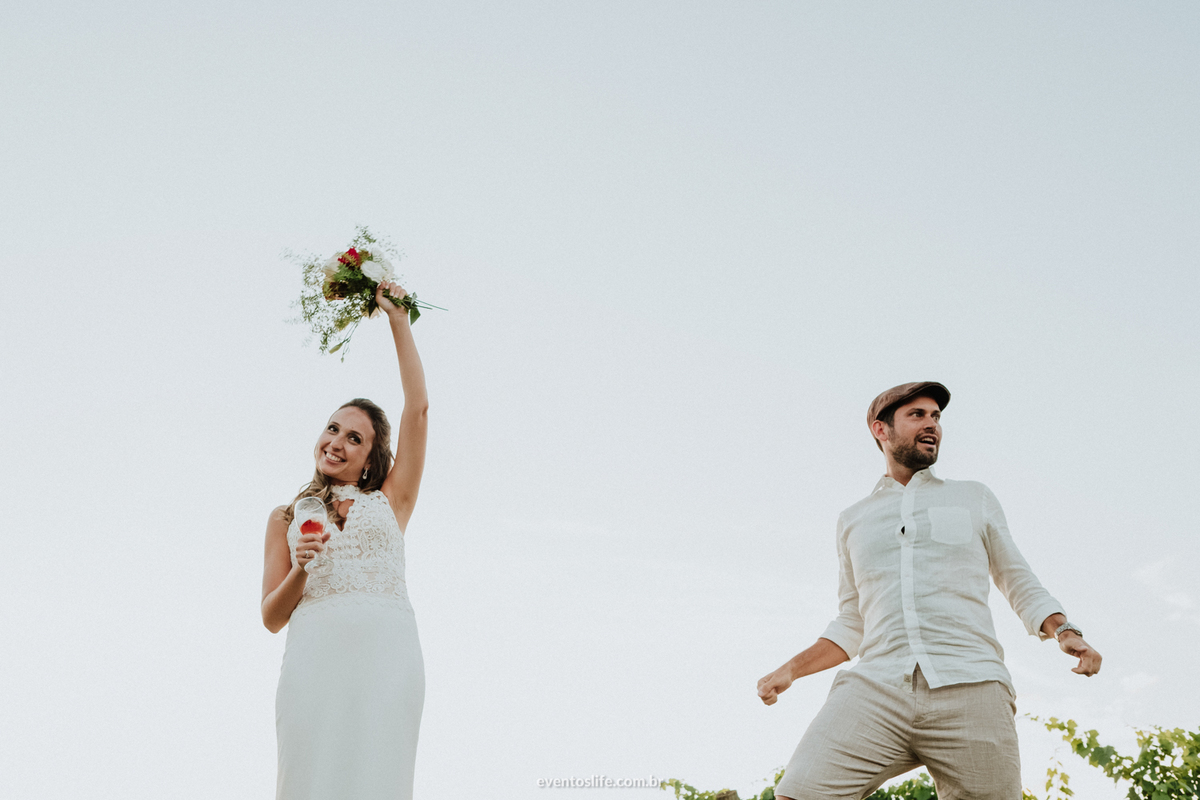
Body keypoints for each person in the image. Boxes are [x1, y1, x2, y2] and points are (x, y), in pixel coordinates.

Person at [757, 382, 1101, 800]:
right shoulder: (854, 520)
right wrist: (791, 669)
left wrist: (1064, 630)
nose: (931, 424)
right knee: (800, 792)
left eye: (936, 416)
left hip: (972, 686)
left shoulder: (972, 497)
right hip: (877, 688)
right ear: (880, 430)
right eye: (917, 415)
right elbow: (853, 621)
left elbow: (1016, 576)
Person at [261, 281, 429, 800]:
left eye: (354, 438)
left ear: (372, 458)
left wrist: (399, 323)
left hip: (387, 654)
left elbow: (417, 410)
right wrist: (302, 568)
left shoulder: (392, 499)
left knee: (380, 775)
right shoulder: (285, 516)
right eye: (333, 428)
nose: (336, 442)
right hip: (314, 659)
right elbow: (271, 617)